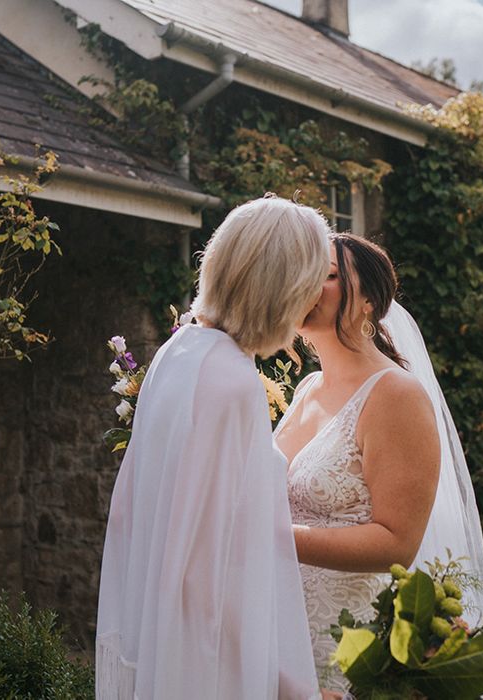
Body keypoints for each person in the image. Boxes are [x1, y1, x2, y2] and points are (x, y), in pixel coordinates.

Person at [96, 195, 331, 699]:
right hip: (205, 667)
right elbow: (204, 575)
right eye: (313, 280)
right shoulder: (229, 381)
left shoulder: (178, 351)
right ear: (285, 285)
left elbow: (131, 516)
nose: (314, 299)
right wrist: (289, 686)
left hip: (172, 644)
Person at [274, 232, 483, 691]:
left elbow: (397, 543)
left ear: (370, 299)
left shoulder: (396, 395)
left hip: (343, 640)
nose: (310, 286)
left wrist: (271, 536)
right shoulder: (307, 389)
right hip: (277, 621)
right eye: (305, 273)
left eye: (330, 276)